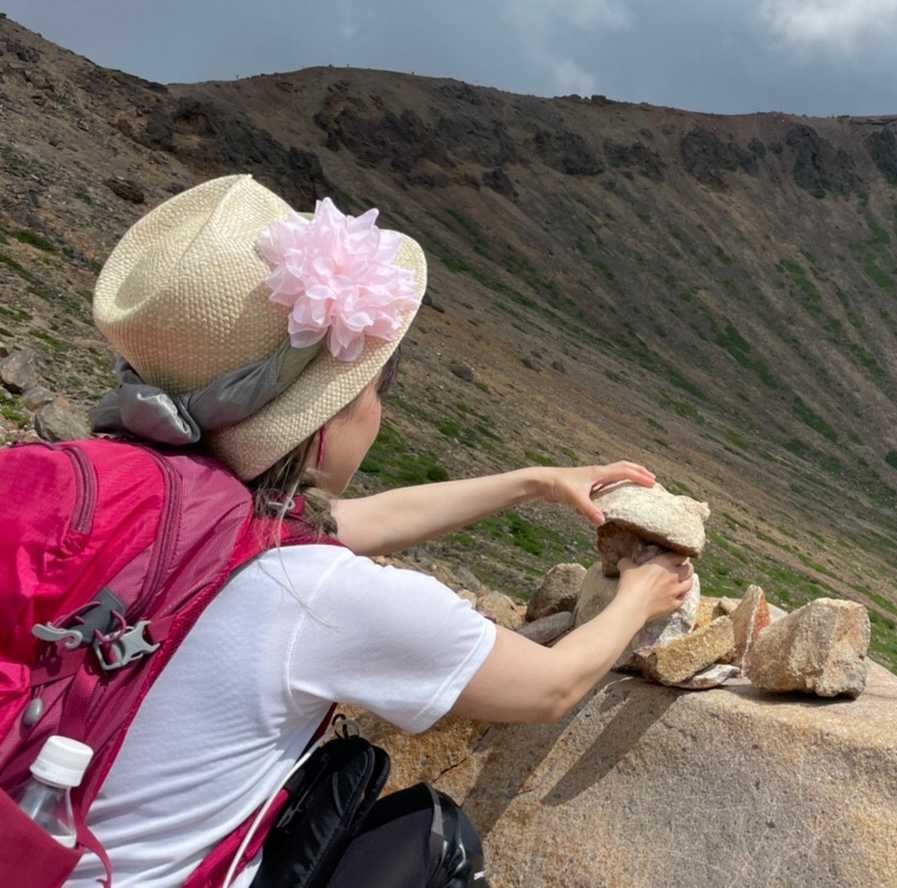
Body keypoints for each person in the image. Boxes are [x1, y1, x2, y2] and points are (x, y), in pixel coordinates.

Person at [64, 174, 693, 886]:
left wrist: (535, 481)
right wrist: (640, 596)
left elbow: (368, 521)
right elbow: (548, 688)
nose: (376, 412)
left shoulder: (138, 503)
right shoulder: (314, 595)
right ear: (322, 422)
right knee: (434, 836)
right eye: (368, 391)